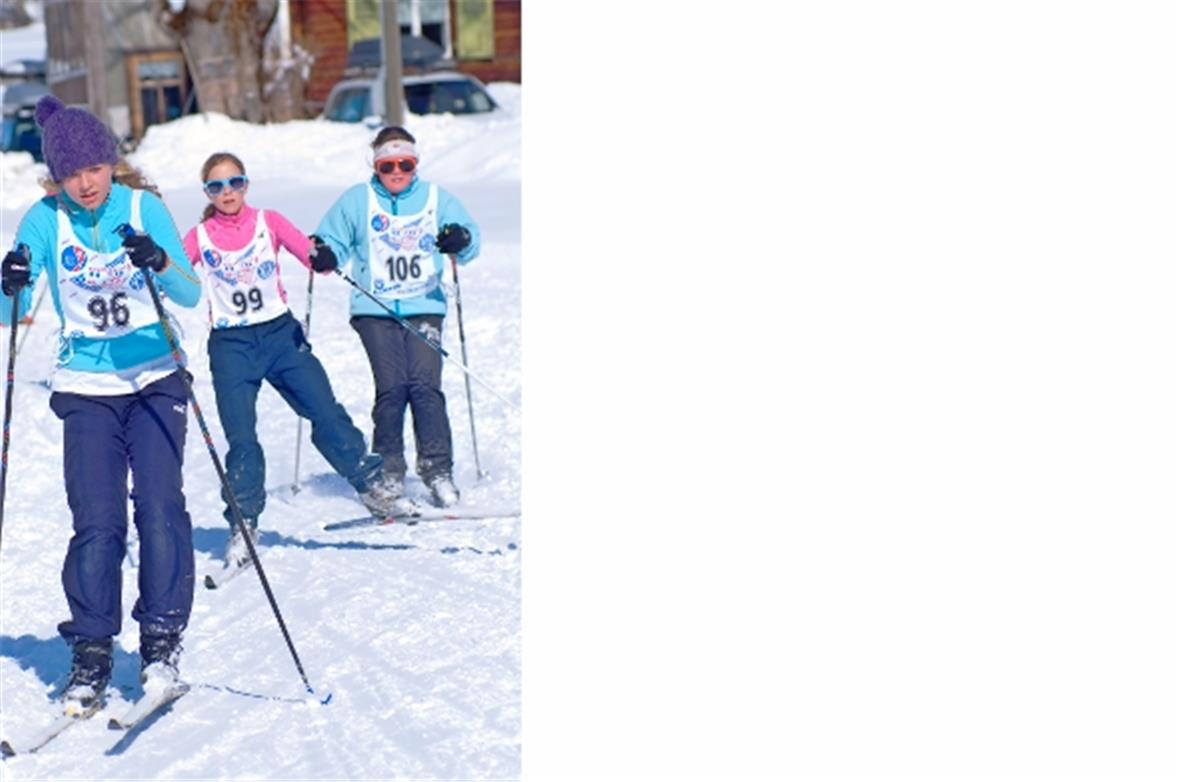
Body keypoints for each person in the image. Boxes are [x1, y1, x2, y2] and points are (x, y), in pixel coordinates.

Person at [0, 95, 200, 713]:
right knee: (97, 522)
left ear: (111, 163)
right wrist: (8, 281)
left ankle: (161, 642)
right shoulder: (44, 219)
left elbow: (189, 292)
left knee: (161, 507)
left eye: (93, 169)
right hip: (86, 388)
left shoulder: (142, 207)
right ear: (55, 177)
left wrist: (158, 260)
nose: (84, 184)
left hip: (156, 377)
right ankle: (91, 652)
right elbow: (14, 309)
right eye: (70, 175)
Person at [181, 152, 409, 569]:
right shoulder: (200, 236)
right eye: (217, 186)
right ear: (207, 193)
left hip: (280, 337)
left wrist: (322, 257)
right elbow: (173, 276)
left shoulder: (269, 222)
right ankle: (244, 523)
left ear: (246, 184)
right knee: (242, 439)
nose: (227, 192)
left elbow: (313, 255)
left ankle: (370, 485)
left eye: (234, 182)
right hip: (231, 346)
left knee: (325, 411)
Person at [314, 126, 480, 508]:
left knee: (425, 386)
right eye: (388, 165)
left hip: (425, 305)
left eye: (405, 164)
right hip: (376, 310)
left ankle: (437, 470)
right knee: (392, 388)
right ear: (376, 166)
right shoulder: (358, 200)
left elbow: (470, 236)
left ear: (415, 163)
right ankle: (389, 471)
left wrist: (461, 240)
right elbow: (332, 240)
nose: (397, 172)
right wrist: (324, 252)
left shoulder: (436, 198)